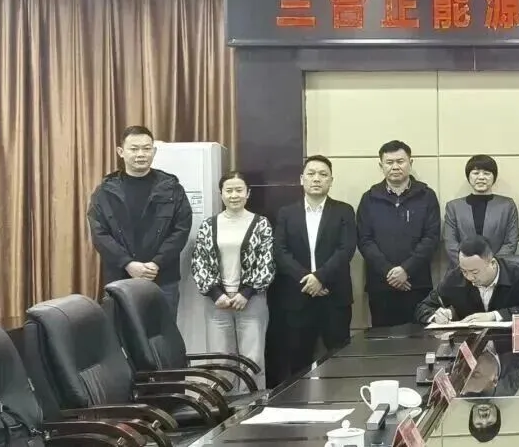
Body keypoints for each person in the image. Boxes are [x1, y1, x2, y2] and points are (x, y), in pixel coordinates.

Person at [266, 155, 356, 388]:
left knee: (339, 357)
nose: (317, 179)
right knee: (298, 361)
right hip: (298, 297)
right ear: (301, 179)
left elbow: (346, 249)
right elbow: (280, 251)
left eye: (323, 175)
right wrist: (307, 280)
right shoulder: (287, 213)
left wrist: (321, 278)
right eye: (311, 174)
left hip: (334, 296)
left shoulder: (344, 211)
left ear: (331, 180)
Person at [87, 125, 192, 319]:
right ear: (121, 152)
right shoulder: (105, 191)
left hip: (163, 278)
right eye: (134, 149)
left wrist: (157, 263)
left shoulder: (172, 187)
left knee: (163, 333)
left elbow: (181, 229)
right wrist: (127, 263)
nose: (141, 154)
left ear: (154, 151)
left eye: (146, 148)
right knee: (122, 333)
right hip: (120, 278)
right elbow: (99, 233)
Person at [189, 171, 275, 390]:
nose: (234, 195)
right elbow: (199, 262)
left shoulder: (261, 224)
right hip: (217, 303)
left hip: (251, 301)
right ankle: (223, 406)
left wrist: (246, 293)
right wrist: (216, 294)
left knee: (252, 360)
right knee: (220, 361)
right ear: (221, 194)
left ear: (248, 193)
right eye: (229, 190)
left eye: (239, 190)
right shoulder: (209, 225)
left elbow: (266, 263)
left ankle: (252, 405)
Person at [357, 140, 441, 327]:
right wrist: (389, 272)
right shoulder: (369, 198)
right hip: (381, 285)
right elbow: (364, 240)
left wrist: (406, 270)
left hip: (417, 284)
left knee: (420, 339)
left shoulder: (427, 196)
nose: (395, 167)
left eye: (400, 161)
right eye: (389, 162)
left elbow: (431, 237)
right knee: (383, 340)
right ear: (381, 165)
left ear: (411, 163)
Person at [415, 235, 519, 324]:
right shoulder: (455, 278)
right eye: (464, 271)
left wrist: (493, 316)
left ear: (492, 263)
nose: (469, 277)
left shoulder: (518, 274)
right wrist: (436, 316)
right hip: (470, 347)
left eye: (475, 272)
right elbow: (423, 307)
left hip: (510, 346)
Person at [443, 155, 519, 267]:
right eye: (476, 173)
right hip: (461, 270)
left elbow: (510, 243)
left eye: (487, 173)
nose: (481, 177)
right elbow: (450, 243)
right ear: (468, 176)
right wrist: (469, 266)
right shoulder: (453, 207)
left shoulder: (507, 205)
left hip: (496, 269)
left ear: (494, 177)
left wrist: (490, 266)